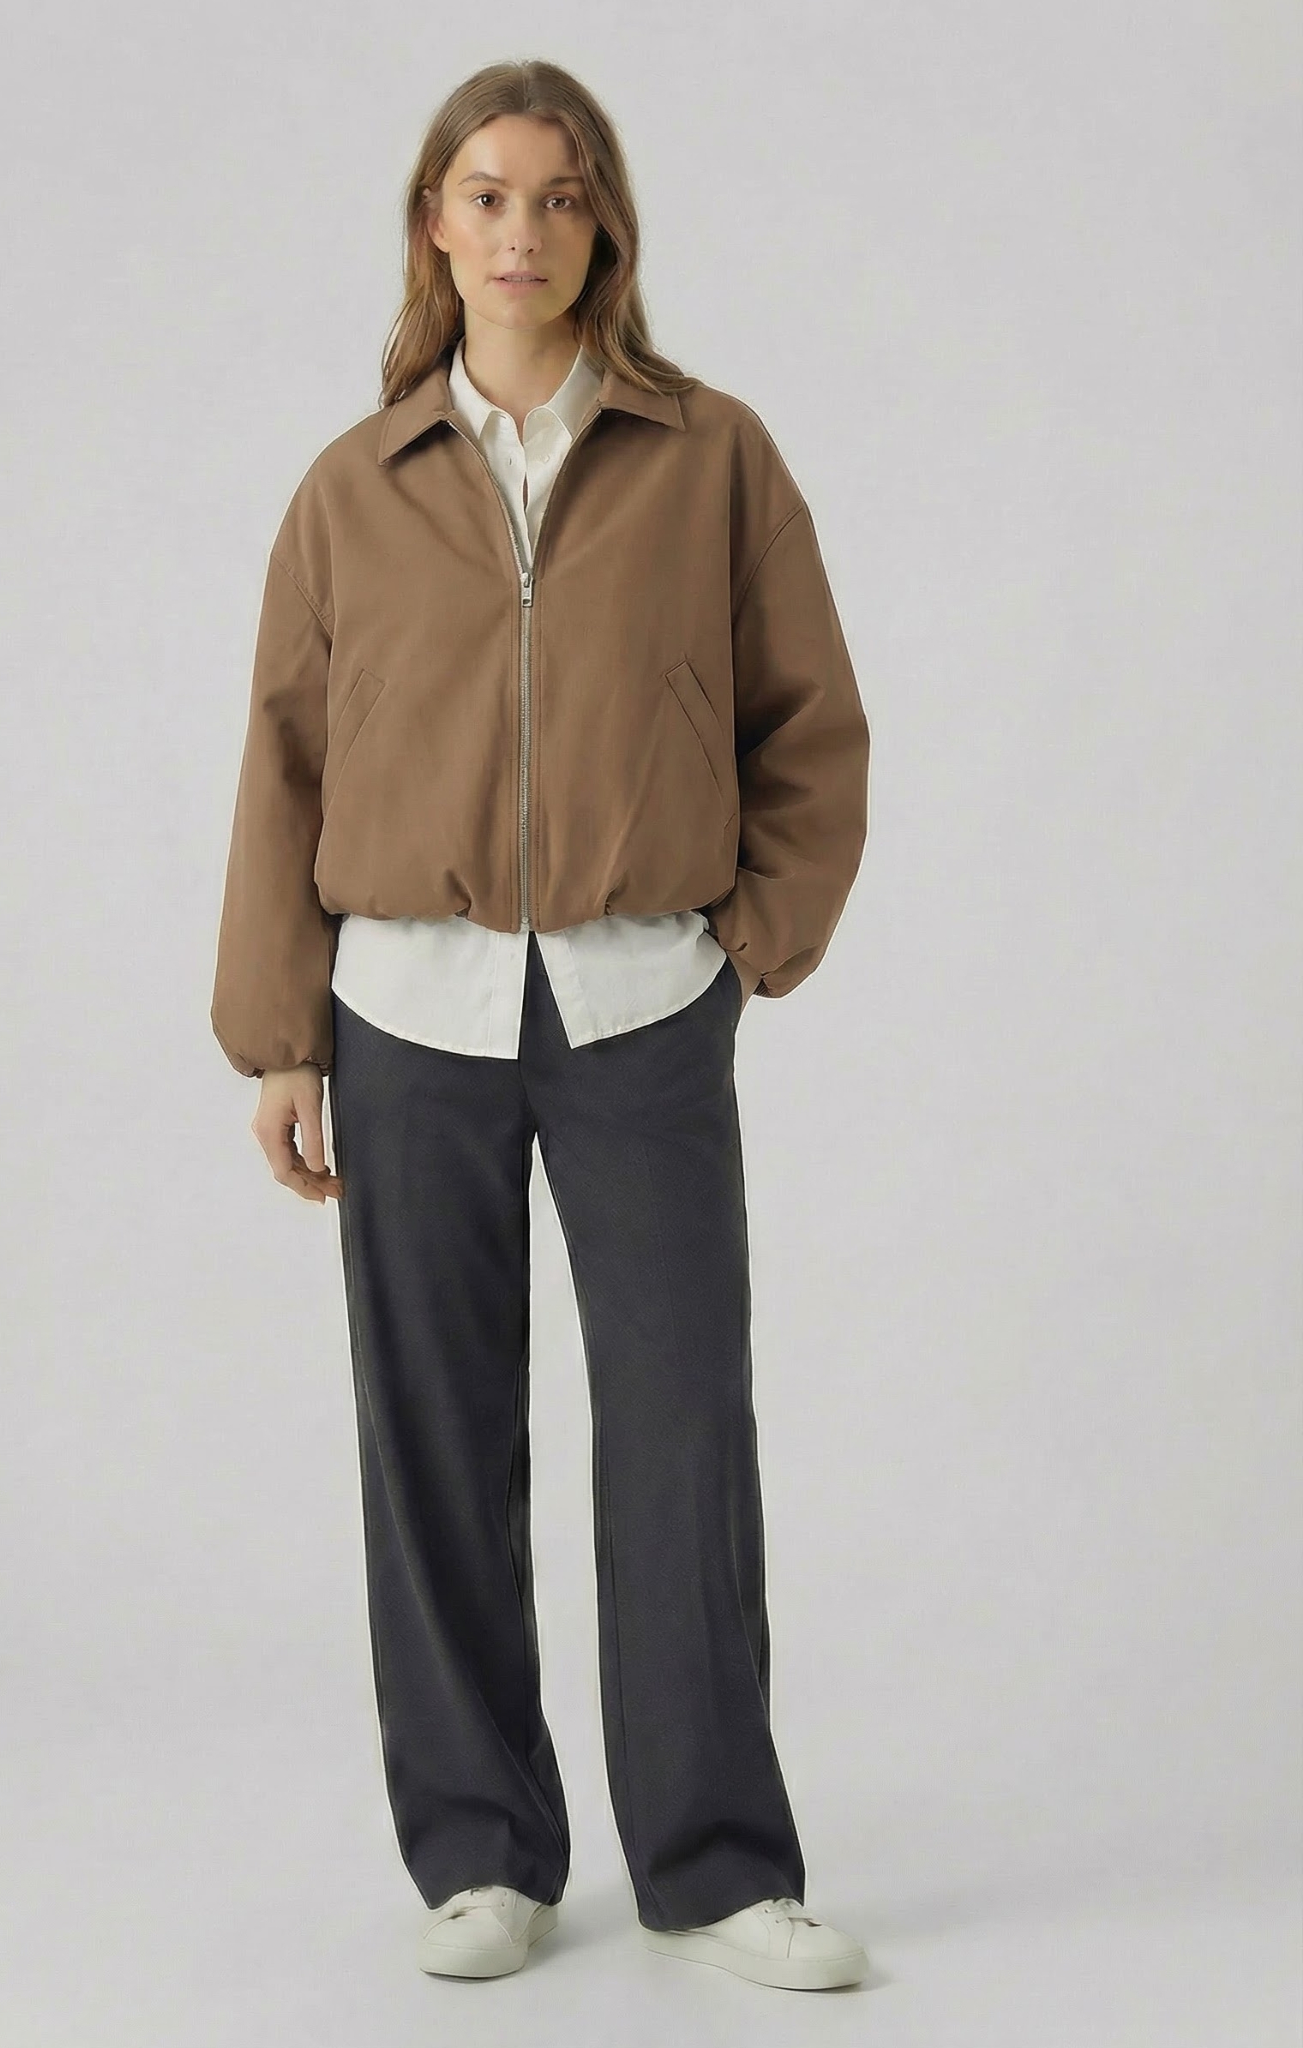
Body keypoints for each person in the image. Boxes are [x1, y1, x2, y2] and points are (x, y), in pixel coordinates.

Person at [211, 59, 872, 1994]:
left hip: (638, 998)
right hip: (404, 1010)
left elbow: (810, 721)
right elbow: (282, 763)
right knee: (432, 1435)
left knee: (682, 1429)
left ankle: (716, 1863)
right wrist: (281, 1035)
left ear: (604, 229)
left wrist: (748, 941)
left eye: (560, 197)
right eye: (488, 195)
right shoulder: (356, 485)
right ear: (436, 223)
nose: (523, 230)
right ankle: (482, 1853)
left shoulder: (711, 456)